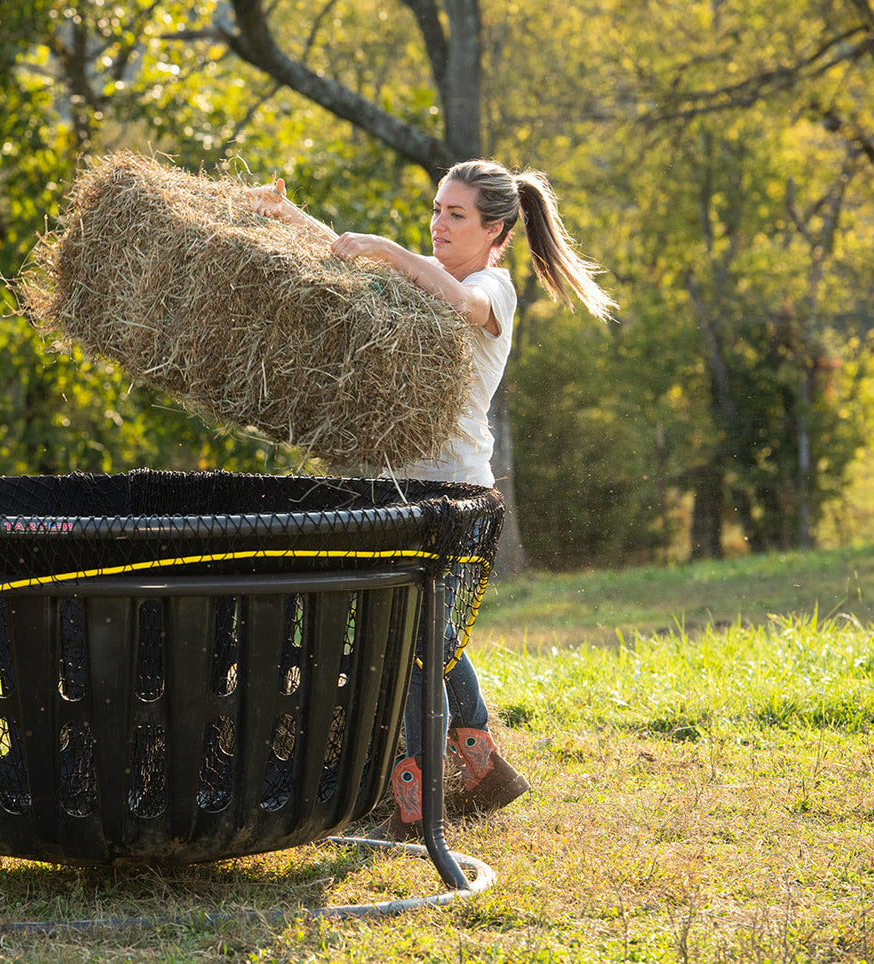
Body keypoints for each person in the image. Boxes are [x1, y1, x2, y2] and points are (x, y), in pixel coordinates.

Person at [248, 160, 615, 839]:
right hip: (397, 488)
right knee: (423, 631)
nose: (437, 223)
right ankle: (476, 758)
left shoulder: (491, 288)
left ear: (494, 228)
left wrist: (386, 249)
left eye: (455, 215)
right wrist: (290, 218)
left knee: (412, 638)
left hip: (452, 495)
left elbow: (456, 302)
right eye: (436, 209)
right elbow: (356, 264)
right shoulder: (430, 273)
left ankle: (419, 796)